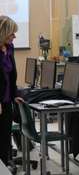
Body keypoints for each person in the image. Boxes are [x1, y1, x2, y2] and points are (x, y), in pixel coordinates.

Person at [0, 15, 24, 166]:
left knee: (4, 139)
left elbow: (11, 74)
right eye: (12, 33)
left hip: (7, 101)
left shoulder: (9, 48)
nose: (14, 36)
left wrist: (15, 94)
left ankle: (3, 165)